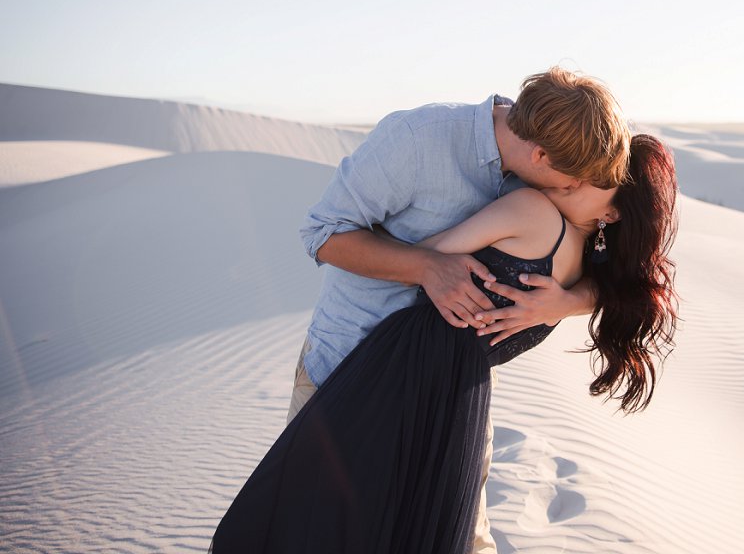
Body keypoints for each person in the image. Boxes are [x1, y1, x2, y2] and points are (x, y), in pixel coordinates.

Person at [209, 135, 679, 553]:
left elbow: (425, 253)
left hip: (397, 374)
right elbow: (630, 296)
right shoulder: (587, 277)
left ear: (613, 211)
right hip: (459, 405)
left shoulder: (532, 211)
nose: (577, 177)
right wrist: (575, 299)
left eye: (598, 178)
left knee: (313, 517)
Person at [289, 67, 631, 553]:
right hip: (344, 372)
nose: (572, 192)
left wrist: (570, 300)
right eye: (573, 182)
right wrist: (427, 266)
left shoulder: (545, 167)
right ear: (539, 155)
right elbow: (322, 235)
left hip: (448, 395)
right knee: (320, 535)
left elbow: (617, 268)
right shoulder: (416, 140)